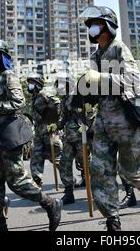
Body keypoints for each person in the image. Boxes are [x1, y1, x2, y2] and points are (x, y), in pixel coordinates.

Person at [79, 6, 140, 231]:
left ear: (108, 26)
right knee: (100, 172)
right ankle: (113, 222)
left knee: (133, 171)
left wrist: (100, 76)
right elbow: (100, 88)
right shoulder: (96, 55)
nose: (92, 27)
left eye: (97, 23)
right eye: (90, 24)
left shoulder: (119, 48)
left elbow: (132, 80)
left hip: (126, 122)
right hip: (103, 122)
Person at [0, 38, 61, 231]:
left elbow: (18, 103)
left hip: (9, 137)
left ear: (3, 56)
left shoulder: (8, 76)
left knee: (17, 181)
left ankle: (50, 203)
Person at [53, 74, 88, 205]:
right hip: (68, 135)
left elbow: (89, 111)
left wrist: (86, 125)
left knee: (85, 161)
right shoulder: (64, 99)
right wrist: (57, 125)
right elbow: (64, 117)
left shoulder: (77, 96)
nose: (60, 87)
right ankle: (69, 192)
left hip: (80, 134)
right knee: (65, 163)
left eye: (62, 85)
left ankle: (96, 187)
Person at [27, 73, 62, 187]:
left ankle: (68, 178)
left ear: (38, 84)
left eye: (32, 83)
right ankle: (37, 180)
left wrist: (52, 121)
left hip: (48, 129)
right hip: (38, 131)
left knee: (55, 157)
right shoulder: (35, 97)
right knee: (36, 155)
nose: (30, 85)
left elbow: (57, 103)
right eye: (30, 83)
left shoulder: (43, 94)